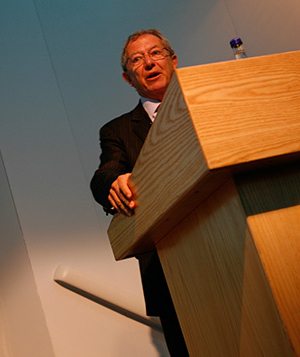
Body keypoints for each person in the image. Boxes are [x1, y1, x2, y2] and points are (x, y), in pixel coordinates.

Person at [90, 29, 188, 356]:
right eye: (137, 59)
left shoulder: (211, 100)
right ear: (127, 78)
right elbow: (104, 175)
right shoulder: (117, 130)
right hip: (171, 271)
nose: (148, 63)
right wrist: (114, 183)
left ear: (173, 61)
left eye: (156, 53)